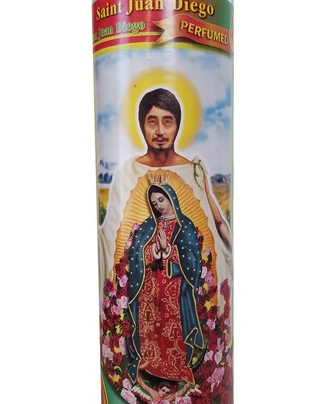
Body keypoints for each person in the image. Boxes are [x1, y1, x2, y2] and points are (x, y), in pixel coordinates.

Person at [98, 88, 232, 308]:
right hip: (148, 286)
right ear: (142, 125)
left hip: (184, 281)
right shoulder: (128, 172)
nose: (160, 131)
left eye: (167, 122)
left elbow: (217, 223)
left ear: (177, 125)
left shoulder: (194, 171)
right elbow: (110, 235)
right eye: (152, 122)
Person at [125, 183, 205, 387]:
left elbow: (193, 259)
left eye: (161, 200)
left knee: (171, 326)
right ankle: (150, 361)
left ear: (171, 198)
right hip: (149, 287)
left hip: (174, 288)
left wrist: (169, 249)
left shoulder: (184, 225)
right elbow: (137, 253)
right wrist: (153, 250)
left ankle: (175, 366)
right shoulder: (149, 225)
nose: (159, 205)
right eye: (154, 203)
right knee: (150, 326)